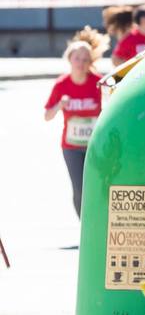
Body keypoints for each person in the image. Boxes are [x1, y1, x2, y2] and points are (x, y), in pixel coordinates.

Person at [43, 28, 106, 217]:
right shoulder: (62, 84)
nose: (81, 63)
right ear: (70, 59)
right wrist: (59, 105)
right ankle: (84, 226)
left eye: (86, 59)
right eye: (77, 58)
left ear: (91, 62)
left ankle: (98, 221)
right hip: (71, 146)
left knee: (97, 185)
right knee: (79, 188)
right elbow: (47, 115)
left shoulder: (98, 82)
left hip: (95, 144)